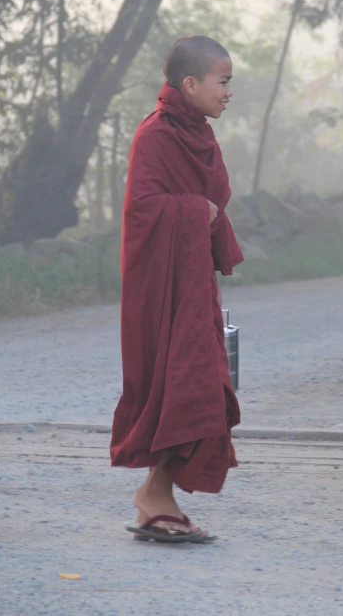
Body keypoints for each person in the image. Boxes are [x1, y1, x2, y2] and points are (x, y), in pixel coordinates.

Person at [110, 35, 244, 543]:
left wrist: (202, 213)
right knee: (188, 385)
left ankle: (155, 497)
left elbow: (208, 195)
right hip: (161, 286)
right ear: (190, 84)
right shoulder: (157, 134)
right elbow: (142, 209)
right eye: (223, 81)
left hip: (191, 282)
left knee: (197, 386)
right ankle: (153, 497)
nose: (229, 92)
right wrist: (196, 212)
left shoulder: (198, 132)